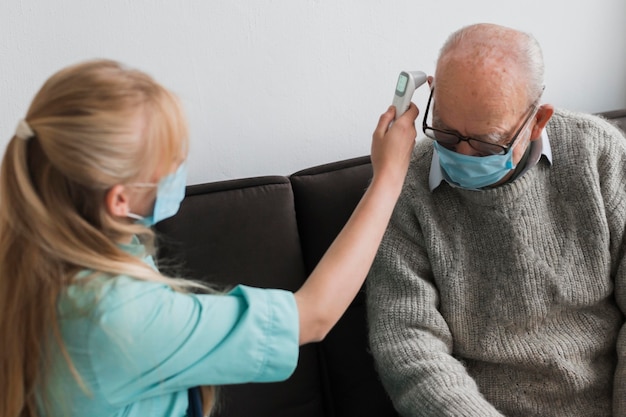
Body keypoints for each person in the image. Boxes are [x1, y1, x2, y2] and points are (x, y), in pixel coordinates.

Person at [0, 59, 418, 417]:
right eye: (171, 161)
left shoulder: (30, 253)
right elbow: (313, 316)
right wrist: (388, 176)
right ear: (119, 199)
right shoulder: (114, 316)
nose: (181, 167)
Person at [366, 23, 626, 417]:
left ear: (538, 120)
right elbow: (408, 341)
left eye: (486, 142)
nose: (463, 155)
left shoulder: (599, 155)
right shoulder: (403, 184)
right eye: (448, 135)